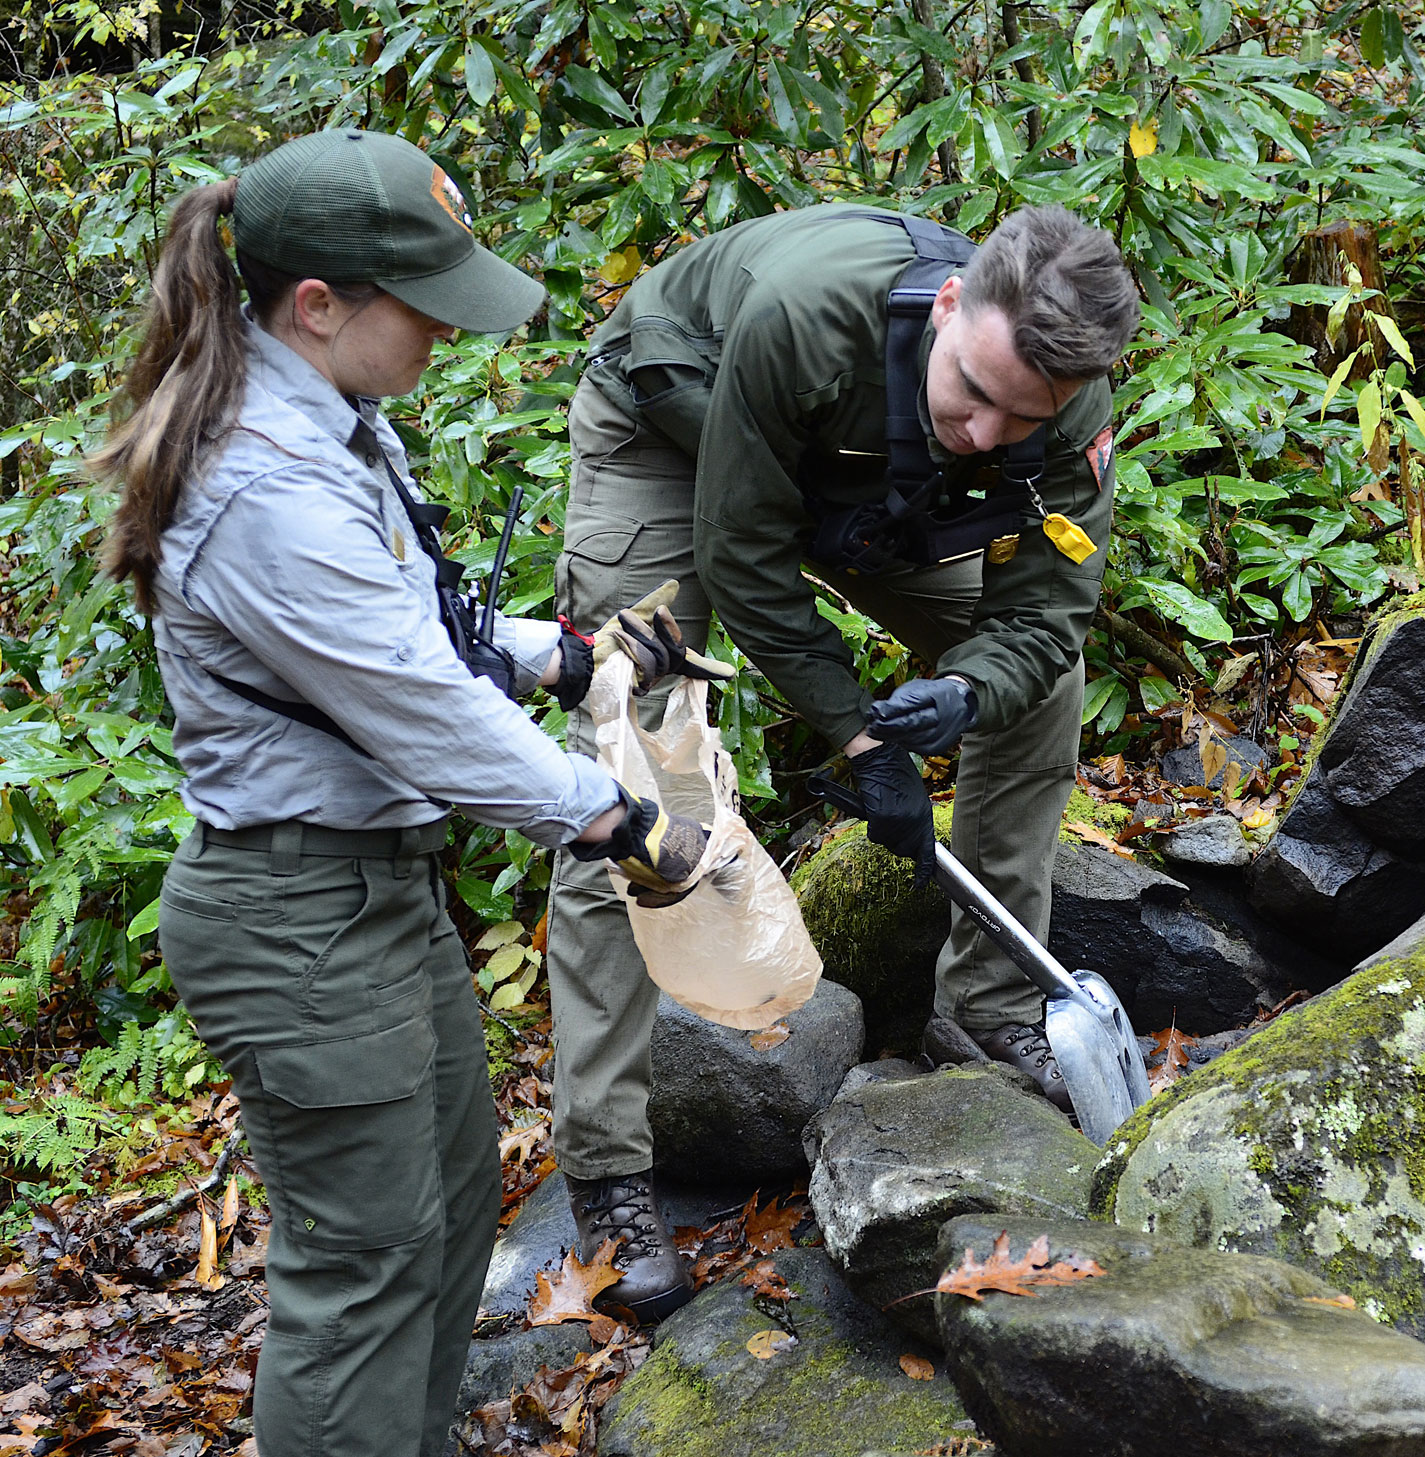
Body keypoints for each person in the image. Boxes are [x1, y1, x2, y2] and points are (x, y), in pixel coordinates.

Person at [93, 130, 720, 1457]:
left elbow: (406, 625)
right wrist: (612, 815)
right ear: (317, 306)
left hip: (369, 900)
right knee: (362, 1274)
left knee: (442, 1204)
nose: (445, 327)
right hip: (295, 916)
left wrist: (568, 653)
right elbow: (420, 709)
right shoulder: (261, 477)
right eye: (421, 302)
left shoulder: (334, 426)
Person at [546, 202, 1139, 1314]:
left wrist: (963, 691)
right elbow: (743, 551)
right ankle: (609, 1169)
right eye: (973, 392)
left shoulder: (1061, 401)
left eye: (1022, 418)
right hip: (673, 425)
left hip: (866, 490)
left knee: (1037, 689)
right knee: (633, 765)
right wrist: (863, 743)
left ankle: (994, 1006)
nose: (984, 435)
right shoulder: (809, 318)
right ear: (953, 302)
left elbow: (1049, 604)